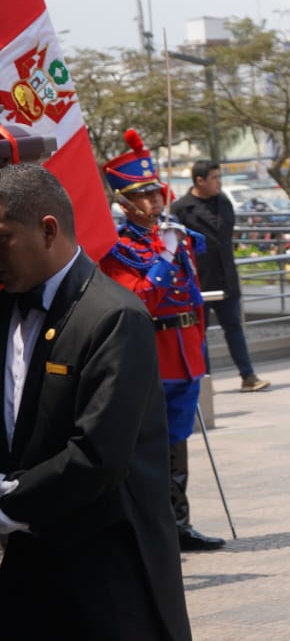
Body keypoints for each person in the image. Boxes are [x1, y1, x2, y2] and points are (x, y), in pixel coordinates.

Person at [0, 164, 191, 639]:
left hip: (105, 569)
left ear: (47, 230)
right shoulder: (9, 304)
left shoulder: (112, 316)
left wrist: (4, 506)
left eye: (2, 238)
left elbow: (97, 456)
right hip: (28, 564)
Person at [98, 131, 226, 553]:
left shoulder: (175, 235)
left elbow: (193, 293)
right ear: (124, 202)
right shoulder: (118, 247)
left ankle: (178, 523)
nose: (154, 202)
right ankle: (151, 527)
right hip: (152, 351)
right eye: (144, 195)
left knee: (177, 440)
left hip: (186, 351)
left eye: (156, 192)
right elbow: (136, 299)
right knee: (149, 442)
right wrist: (164, 261)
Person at [171, 159, 270, 392]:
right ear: (199, 180)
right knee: (199, 334)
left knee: (234, 327)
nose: (218, 183)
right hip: (199, 281)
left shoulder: (224, 202)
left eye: (219, 178)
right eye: (214, 178)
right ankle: (204, 381)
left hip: (226, 277)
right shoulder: (181, 208)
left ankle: (248, 375)